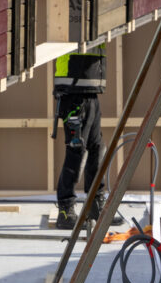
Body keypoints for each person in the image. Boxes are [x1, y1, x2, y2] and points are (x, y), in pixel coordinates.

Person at [52, 45, 123, 229]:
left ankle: (95, 204)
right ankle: (65, 211)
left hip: (90, 90)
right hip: (73, 89)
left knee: (97, 147)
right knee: (77, 151)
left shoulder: (96, 22)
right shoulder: (77, 19)